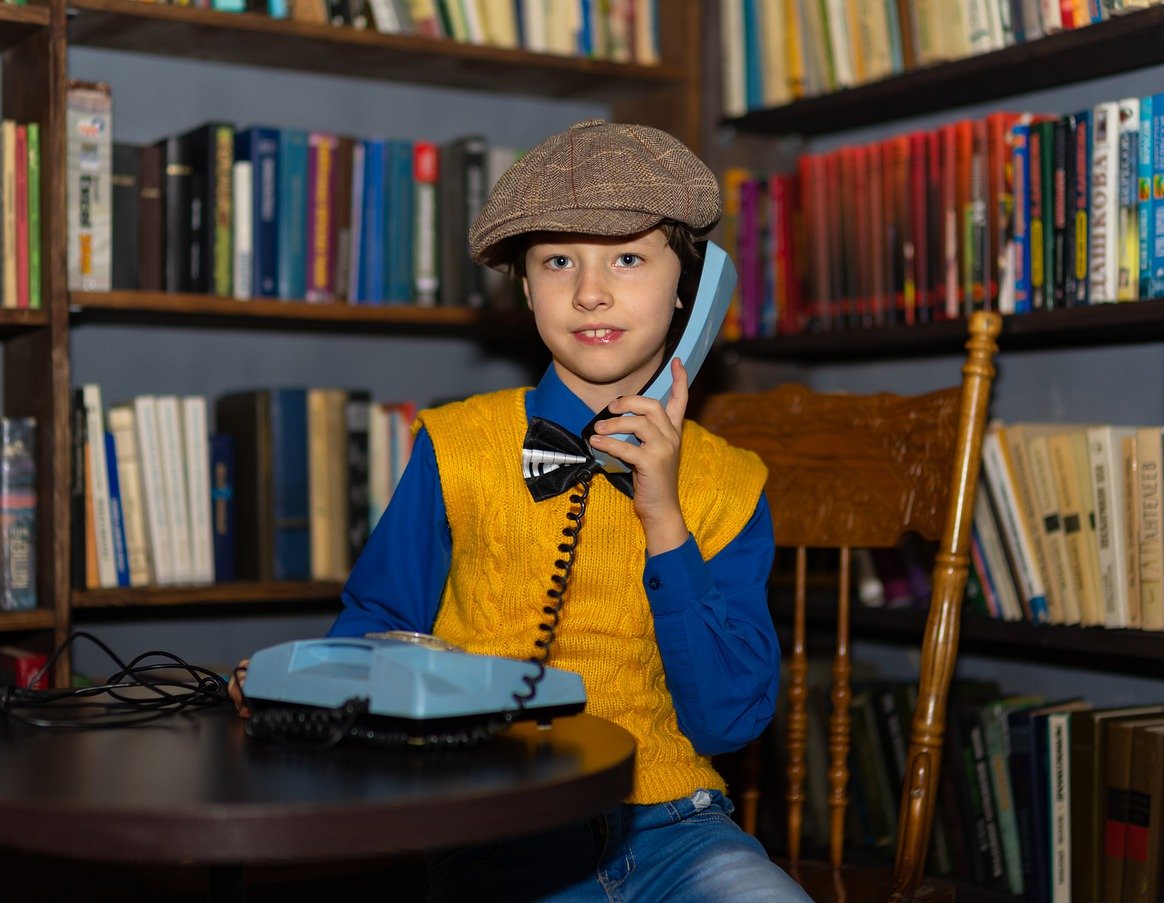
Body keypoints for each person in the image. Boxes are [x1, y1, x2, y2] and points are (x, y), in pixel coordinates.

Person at [244, 119, 810, 901]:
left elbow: (728, 720)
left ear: (692, 285)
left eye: (629, 258)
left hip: (679, 826)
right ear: (524, 285)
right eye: (558, 261)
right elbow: (375, 626)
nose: (590, 291)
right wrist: (306, 692)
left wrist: (665, 524)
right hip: (499, 832)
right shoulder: (458, 446)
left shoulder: (731, 483)